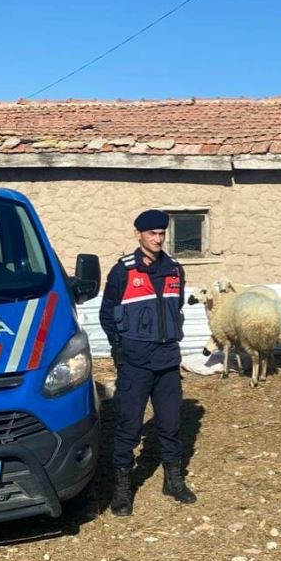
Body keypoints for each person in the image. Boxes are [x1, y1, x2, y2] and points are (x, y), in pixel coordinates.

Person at [98, 209, 197, 516]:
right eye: (152, 233)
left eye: (161, 233)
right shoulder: (122, 271)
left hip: (168, 362)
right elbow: (107, 314)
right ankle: (124, 490)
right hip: (136, 364)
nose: (158, 239)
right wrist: (123, 349)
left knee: (170, 425)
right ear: (138, 235)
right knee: (128, 427)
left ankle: (173, 480)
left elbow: (175, 308)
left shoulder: (175, 270)